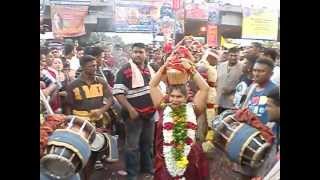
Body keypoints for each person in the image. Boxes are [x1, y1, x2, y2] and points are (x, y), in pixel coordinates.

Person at [149, 58, 210, 180]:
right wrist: (163, 68)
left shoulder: (193, 109)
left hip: (189, 157)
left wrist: (191, 69)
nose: (175, 100)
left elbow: (205, 88)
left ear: (186, 97)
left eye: (179, 97)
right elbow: (152, 85)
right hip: (165, 156)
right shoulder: (163, 108)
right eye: (172, 96)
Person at [65, 55, 114, 180]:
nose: (95, 68)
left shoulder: (101, 81)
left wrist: (102, 110)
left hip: (98, 121)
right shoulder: (73, 85)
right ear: (82, 67)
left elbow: (110, 98)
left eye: (96, 65)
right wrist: (69, 123)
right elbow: (68, 106)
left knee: (95, 151)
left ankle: (89, 175)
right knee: (80, 153)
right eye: (91, 66)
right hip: (80, 124)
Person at [112, 43, 156, 180]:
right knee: (132, 146)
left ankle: (147, 168)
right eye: (135, 52)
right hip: (133, 115)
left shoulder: (150, 69)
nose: (137, 54)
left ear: (146, 53)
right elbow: (118, 93)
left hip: (149, 113)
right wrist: (130, 109)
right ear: (131, 53)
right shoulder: (124, 70)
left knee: (147, 143)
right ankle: (132, 174)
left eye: (140, 52)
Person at [242, 57, 279, 125]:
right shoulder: (251, 88)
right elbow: (245, 108)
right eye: (254, 70)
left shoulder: (275, 92)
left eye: (261, 71)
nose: (256, 74)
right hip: (249, 131)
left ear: (271, 74)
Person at [216, 47, 244, 114]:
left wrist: (233, 89)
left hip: (233, 104)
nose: (233, 58)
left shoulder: (243, 68)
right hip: (219, 101)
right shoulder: (220, 66)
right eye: (231, 55)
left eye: (235, 56)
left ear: (239, 56)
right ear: (228, 55)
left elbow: (244, 84)